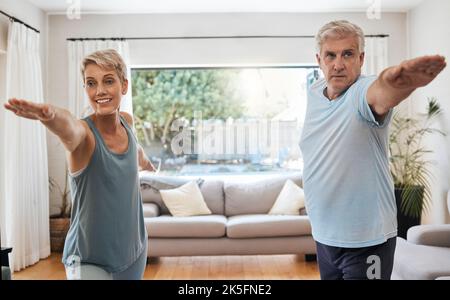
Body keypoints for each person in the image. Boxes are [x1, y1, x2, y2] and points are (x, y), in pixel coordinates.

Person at [299, 20, 446, 280]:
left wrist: (400, 81)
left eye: (348, 54)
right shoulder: (315, 92)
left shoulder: (360, 93)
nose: (338, 64)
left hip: (366, 241)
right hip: (324, 236)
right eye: (330, 55)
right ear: (319, 60)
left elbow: (382, 93)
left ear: (361, 58)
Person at [4, 49, 155, 280]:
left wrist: (147, 164)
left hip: (134, 253)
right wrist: (50, 115)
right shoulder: (84, 136)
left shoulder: (127, 121)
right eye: (91, 83)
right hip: (88, 260)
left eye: (108, 81)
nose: (100, 91)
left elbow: (137, 153)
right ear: (85, 88)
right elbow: (69, 127)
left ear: (124, 86)